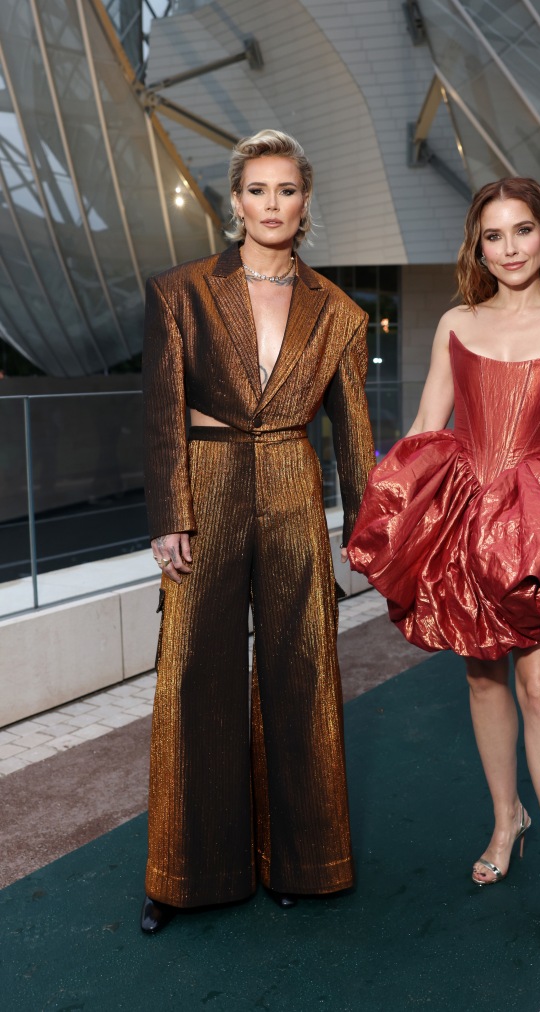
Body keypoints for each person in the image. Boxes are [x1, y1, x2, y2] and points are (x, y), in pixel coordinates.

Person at [348, 177, 540, 958]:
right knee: (482, 680)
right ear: (476, 246)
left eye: (523, 231)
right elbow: (423, 427)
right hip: (464, 521)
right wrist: (391, 518)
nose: (510, 248)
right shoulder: (457, 321)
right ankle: (504, 817)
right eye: (494, 235)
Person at [140, 129, 375, 933]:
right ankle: (184, 872)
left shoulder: (339, 311)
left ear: (305, 203)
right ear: (234, 201)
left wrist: (365, 528)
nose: (272, 205)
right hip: (204, 482)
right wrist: (170, 514)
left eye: (287, 190)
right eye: (257, 190)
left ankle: (303, 864)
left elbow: (354, 434)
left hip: (290, 481)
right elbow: (162, 411)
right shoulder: (179, 291)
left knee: (302, 670)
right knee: (191, 674)